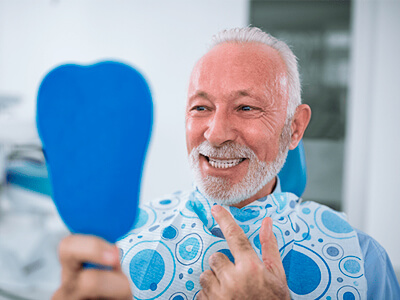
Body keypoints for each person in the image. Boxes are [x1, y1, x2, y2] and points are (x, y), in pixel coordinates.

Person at [52, 27, 400, 300]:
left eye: (246, 108)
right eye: (201, 107)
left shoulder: (362, 263)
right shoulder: (120, 247)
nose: (216, 134)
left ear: (294, 128)